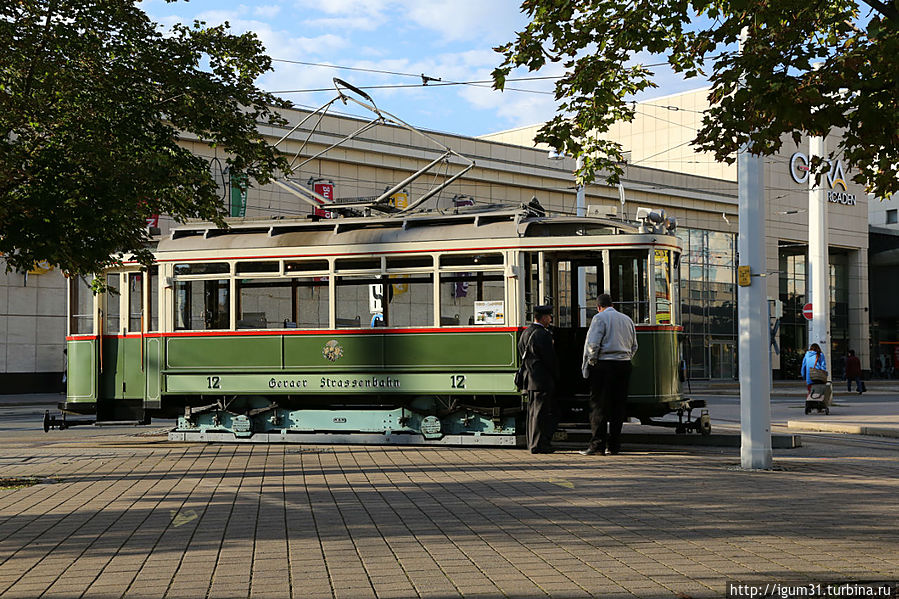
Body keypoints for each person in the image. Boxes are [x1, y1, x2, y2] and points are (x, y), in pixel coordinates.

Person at [579, 294, 638, 456]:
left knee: (599, 406)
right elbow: (634, 346)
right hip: (624, 365)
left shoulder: (599, 319)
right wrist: (625, 357)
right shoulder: (627, 319)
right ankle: (614, 445)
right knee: (618, 407)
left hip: (605, 365)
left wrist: (592, 362)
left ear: (598, 307)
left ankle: (597, 445)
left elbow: (592, 344)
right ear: (612, 304)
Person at [517, 304, 559, 454]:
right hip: (542, 379)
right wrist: (556, 375)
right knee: (541, 413)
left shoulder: (526, 333)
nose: (550, 319)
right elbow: (549, 359)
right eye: (549, 316)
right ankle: (539, 445)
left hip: (530, 379)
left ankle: (532, 443)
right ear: (543, 317)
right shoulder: (542, 334)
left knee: (532, 412)